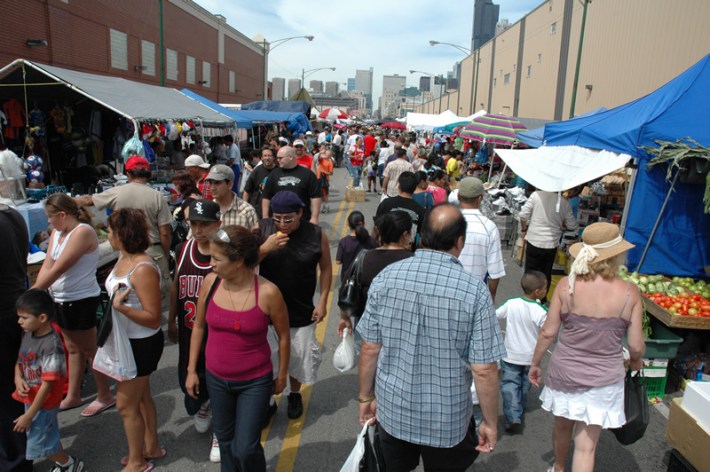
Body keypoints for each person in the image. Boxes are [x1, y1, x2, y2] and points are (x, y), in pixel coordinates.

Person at [357, 204, 506, 471]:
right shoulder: (474, 292)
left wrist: (366, 398)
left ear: (419, 235)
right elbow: (484, 370)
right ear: (460, 242)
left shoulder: (386, 278)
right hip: (447, 419)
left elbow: (370, 348)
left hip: (394, 411)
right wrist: (489, 422)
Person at [529, 222, 645, 472]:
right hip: (604, 378)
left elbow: (548, 332)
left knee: (562, 426)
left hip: (565, 372)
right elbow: (635, 346)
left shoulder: (566, 287)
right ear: (615, 255)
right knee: (586, 447)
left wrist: (536, 363)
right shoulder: (629, 292)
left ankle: (558, 468)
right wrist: (635, 363)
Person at [186, 225, 290, 472]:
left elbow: (284, 336)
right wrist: (191, 370)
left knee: (245, 447)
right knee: (225, 442)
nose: (211, 263)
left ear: (238, 261)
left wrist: (282, 375)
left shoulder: (268, 293)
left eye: (216, 259)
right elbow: (198, 327)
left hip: (255, 382)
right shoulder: (210, 283)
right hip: (217, 380)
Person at [33, 194, 114, 417]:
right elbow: (48, 263)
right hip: (61, 298)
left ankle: (105, 394)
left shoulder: (83, 232)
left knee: (90, 349)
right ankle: (74, 394)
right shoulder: (58, 233)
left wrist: (35, 292)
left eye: (51, 217)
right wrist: (38, 289)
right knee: (72, 347)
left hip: (80, 298)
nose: (49, 221)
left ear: (62, 214)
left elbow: (60, 267)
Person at [258, 192, 332, 419]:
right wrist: (265, 249)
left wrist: (323, 300)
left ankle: (294, 393)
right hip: (266, 311)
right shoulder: (262, 229)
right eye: (277, 218)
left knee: (298, 357)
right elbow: (244, 263)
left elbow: (326, 268)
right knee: (267, 358)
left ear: (301, 212)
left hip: (300, 308)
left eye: (288, 219)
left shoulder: (316, 234)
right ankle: (267, 398)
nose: (282, 224)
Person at [105, 208, 165, 472]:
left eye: (110, 230)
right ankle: (150, 446)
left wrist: (123, 308)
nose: (107, 235)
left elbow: (153, 317)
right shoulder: (123, 258)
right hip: (127, 340)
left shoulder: (142, 268)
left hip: (141, 343)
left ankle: (137, 461)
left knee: (125, 405)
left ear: (121, 234)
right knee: (141, 399)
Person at [76, 155, 173, 312]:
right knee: (159, 299)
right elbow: (165, 233)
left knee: (129, 295)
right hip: (153, 251)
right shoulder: (157, 196)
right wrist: (165, 252)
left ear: (128, 174)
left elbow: (86, 200)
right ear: (147, 174)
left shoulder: (116, 192)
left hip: (126, 252)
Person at [167, 199, 223, 463]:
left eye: (205, 224)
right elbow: (176, 285)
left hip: (219, 336)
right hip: (190, 332)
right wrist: (170, 320)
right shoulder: (182, 249)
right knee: (190, 391)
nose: (198, 230)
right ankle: (205, 405)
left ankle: (221, 431)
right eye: (194, 224)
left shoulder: (224, 254)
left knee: (220, 384)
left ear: (218, 225)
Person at [12, 289, 84, 472]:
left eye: (24, 317)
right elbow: (20, 358)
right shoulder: (30, 332)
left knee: (40, 443)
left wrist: (29, 416)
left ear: (42, 317)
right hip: (32, 397)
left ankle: (68, 464)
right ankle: (65, 463)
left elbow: (48, 384)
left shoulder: (51, 345)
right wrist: (18, 377)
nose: (19, 321)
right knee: (45, 435)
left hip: (43, 402)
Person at [337, 211, 413, 337]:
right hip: (401, 331)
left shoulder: (364, 258)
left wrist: (344, 318)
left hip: (366, 329)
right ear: (405, 234)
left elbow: (345, 289)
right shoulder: (413, 261)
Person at [0, 204, 32, 472]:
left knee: (8, 395)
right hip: (15, 310)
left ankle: (16, 460)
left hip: (5, 314)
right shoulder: (12, 215)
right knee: (16, 389)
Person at [496, 271, 548, 433]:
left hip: (511, 354)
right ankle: (518, 407)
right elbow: (547, 332)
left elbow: (495, 315)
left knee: (510, 384)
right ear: (537, 291)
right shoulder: (541, 311)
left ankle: (513, 414)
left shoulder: (512, 303)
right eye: (546, 288)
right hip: (530, 357)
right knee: (525, 385)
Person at [519, 188, 579, 293]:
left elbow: (523, 215)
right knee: (545, 274)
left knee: (531, 272)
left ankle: (529, 296)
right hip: (551, 243)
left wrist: (524, 230)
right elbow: (572, 225)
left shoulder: (536, 195)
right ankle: (541, 299)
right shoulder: (564, 203)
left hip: (534, 240)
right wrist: (561, 223)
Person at [457, 177, 506, 302]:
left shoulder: (446, 221)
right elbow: (494, 273)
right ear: (480, 199)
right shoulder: (489, 227)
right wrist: (491, 299)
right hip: (474, 295)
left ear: (458, 196)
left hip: (445, 291)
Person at [261, 146, 321, 224]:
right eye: (277, 158)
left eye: (280, 158)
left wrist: (314, 218)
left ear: (290, 157)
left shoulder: (307, 174)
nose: (278, 160)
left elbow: (316, 196)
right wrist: (265, 217)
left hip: (302, 220)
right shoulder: (273, 174)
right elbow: (266, 196)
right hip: (279, 221)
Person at [373, 172, 425, 249]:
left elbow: (376, 228)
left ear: (399, 186)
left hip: (386, 250)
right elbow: (422, 237)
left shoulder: (386, 203)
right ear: (414, 189)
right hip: (408, 255)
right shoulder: (420, 210)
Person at [207, 164, 259, 230]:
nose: (212, 188)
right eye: (210, 183)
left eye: (217, 183)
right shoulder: (207, 210)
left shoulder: (246, 211)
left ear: (230, 185)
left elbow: (256, 238)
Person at [336, 211, 377, 283]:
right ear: (363, 224)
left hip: (348, 278)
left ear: (347, 224)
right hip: (366, 277)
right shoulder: (371, 240)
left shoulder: (344, 242)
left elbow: (338, 261)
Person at [243, 146, 276, 214]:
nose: (267, 158)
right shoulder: (257, 171)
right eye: (265, 156)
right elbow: (247, 191)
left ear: (273, 157)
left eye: (269, 156)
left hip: (274, 209)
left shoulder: (278, 171)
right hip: (257, 208)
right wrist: (244, 207)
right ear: (261, 158)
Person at [317, 149, 334, 213]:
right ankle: (324, 205)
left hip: (324, 179)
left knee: (325, 193)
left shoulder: (330, 162)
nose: (326, 155)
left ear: (330, 156)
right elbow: (318, 158)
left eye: (328, 154)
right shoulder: (322, 159)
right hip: (318, 178)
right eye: (325, 153)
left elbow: (331, 173)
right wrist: (321, 153)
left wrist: (325, 172)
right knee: (320, 194)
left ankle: (326, 205)